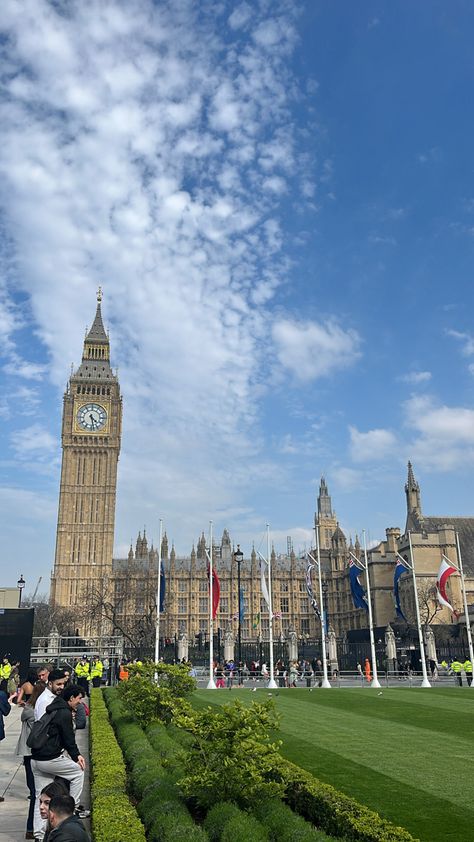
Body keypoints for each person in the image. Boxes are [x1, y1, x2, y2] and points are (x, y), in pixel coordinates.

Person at [31, 684, 86, 840]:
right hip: (48, 758)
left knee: (42, 799)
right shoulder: (64, 713)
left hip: (36, 759)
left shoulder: (53, 707)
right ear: (71, 698)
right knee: (78, 771)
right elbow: (68, 738)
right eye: (79, 699)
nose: (80, 702)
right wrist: (77, 756)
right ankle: (71, 810)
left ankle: (39, 836)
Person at [15, 681, 46, 839]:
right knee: (36, 792)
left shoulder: (29, 708)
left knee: (34, 790)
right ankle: (31, 827)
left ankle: (32, 827)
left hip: (29, 753)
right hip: (33, 751)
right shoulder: (35, 710)